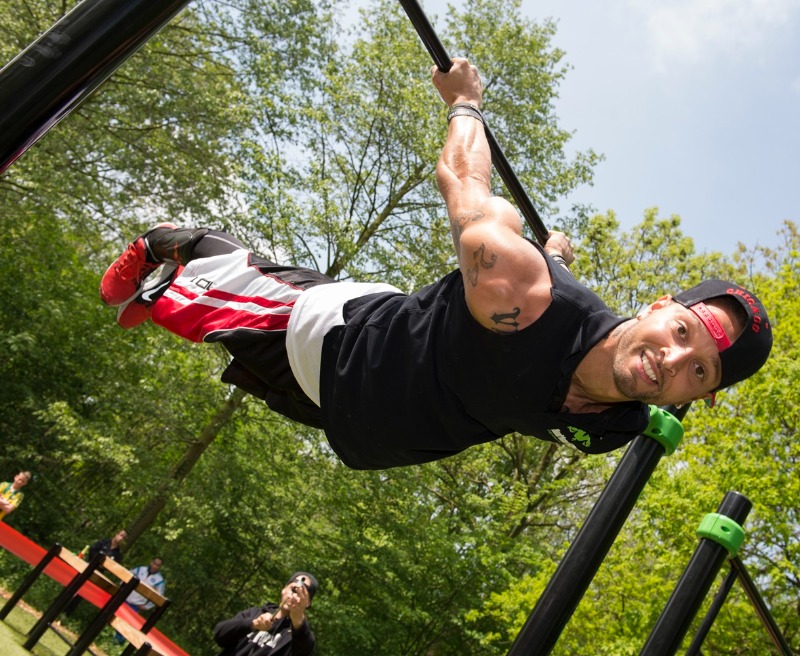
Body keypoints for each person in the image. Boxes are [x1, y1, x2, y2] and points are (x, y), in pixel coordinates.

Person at [99, 59, 773, 470]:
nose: (672, 359)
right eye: (683, 333)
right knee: (209, 310)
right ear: (660, 307)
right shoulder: (529, 295)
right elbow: (465, 190)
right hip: (338, 344)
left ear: (699, 398)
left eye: (698, 370)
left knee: (212, 333)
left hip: (351, 422)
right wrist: (464, 103)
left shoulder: (618, 427)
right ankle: (173, 241)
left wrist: (555, 256)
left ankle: (169, 285)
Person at [212, 572, 317, 656]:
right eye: (293, 589)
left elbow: (304, 648)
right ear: (284, 589)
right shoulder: (254, 613)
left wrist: (298, 621)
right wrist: (253, 624)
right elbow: (219, 635)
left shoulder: (299, 635)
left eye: (301, 594)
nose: (294, 595)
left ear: (308, 603)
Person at [65, 529, 128, 614]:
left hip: (98, 573)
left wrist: (104, 566)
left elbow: (114, 566)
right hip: (88, 566)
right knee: (74, 584)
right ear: (116, 534)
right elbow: (92, 549)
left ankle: (67, 612)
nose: (121, 538)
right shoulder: (104, 542)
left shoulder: (118, 554)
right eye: (120, 535)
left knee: (83, 592)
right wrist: (97, 560)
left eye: (123, 537)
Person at [113, 556, 166, 644]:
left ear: (160, 567)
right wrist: (121, 588)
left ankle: (118, 641)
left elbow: (159, 598)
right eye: (154, 563)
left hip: (136, 605)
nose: (155, 566)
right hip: (125, 598)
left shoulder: (159, 580)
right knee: (115, 615)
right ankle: (108, 635)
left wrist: (147, 606)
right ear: (151, 562)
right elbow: (127, 575)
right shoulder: (140, 570)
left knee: (126, 622)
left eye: (158, 565)